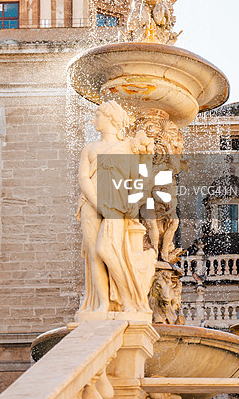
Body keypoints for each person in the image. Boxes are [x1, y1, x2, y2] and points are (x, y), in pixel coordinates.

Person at [77, 100, 157, 315]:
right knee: (94, 254)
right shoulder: (90, 148)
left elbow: (140, 180)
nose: (95, 119)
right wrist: (97, 202)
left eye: (98, 116)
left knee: (108, 249)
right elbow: (83, 178)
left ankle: (128, 299)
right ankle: (103, 304)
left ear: (111, 119)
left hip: (116, 204)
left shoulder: (128, 148)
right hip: (90, 204)